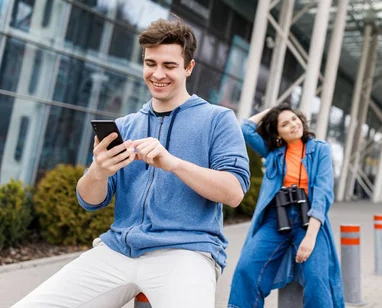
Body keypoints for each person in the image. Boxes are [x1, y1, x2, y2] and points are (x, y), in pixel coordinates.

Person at [15, 18, 250, 307]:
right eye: (151, 63)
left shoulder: (218, 120)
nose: (158, 74)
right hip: (118, 250)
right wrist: (99, 171)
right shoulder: (125, 125)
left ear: (189, 68)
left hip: (186, 252)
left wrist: (173, 163)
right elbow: (89, 200)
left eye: (169, 65)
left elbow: (234, 192)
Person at [228, 105, 344, 308]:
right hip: (276, 220)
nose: (292, 124)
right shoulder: (274, 154)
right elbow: (245, 128)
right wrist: (274, 109)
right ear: (277, 133)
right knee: (246, 269)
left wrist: (310, 237)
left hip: (309, 220)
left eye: (294, 118)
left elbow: (323, 194)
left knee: (317, 279)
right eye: (284, 124)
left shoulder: (320, 150)